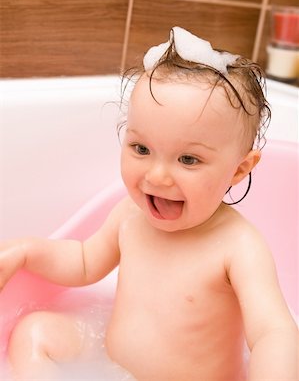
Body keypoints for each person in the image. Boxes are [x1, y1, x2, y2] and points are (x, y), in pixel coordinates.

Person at [0, 27, 297, 381]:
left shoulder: (238, 246)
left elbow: (272, 332)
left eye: (188, 159)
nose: (157, 176)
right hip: (110, 363)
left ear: (239, 169)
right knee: (33, 332)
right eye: (141, 149)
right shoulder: (129, 214)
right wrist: (26, 251)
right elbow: (82, 262)